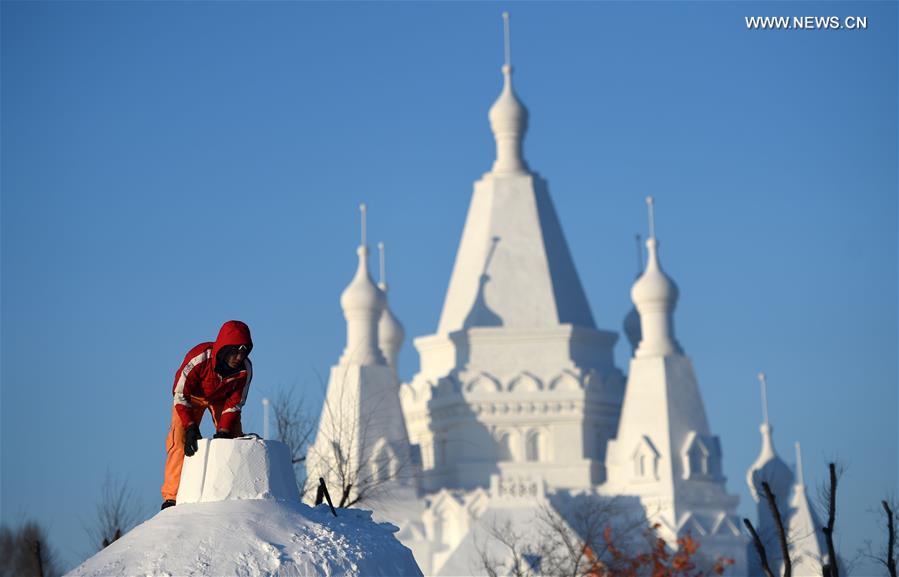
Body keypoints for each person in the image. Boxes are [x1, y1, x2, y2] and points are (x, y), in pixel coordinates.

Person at [160, 320, 253, 509]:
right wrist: (190, 426)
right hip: (191, 399)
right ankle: (172, 497)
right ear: (225, 350)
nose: (239, 357)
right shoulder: (199, 358)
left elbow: (235, 403)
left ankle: (232, 488)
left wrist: (224, 430)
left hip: (221, 400)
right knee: (179, 440)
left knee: (233, 439)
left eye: (243, 352)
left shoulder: (245, 370)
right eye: (235, 352)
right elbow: (180, 394)